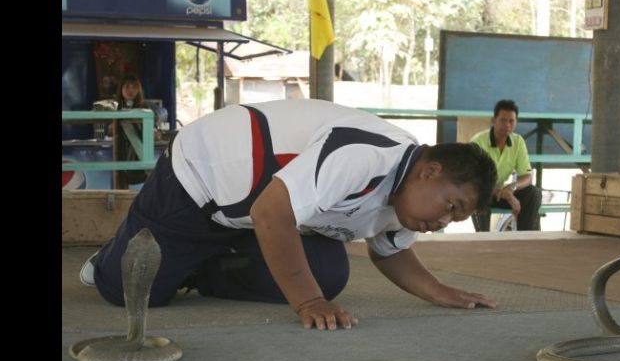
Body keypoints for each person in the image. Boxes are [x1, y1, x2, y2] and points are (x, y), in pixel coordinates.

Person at [79, 99, 499, 331]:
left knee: (329, 273)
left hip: (257, 218)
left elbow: (390, 252)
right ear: (430, 171)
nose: (443, 222)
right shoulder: (367, 154)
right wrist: (308, 301)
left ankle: (199, 269)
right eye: (450, 208)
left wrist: (438, 291)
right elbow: (272, 210)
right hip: (198, 183)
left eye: (453, 219)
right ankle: (107, 260)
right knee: (126, 290)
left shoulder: (406, 201)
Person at [468, 99, 542, 231]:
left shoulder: (518, 141)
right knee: (477, 195)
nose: (507, 124)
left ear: (516, 122)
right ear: (493, 120)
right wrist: (504, 194)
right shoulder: (478, 141)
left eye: (511, 121)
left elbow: (527, 176)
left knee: (533, 193)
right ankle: (482, 238)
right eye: (502, 120)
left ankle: (525, 238)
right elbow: (471, 181)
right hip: (482, 192)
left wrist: (512, 188)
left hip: (501, 193)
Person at [109, 74, 159, 187]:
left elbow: (154, 131)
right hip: (120, 153)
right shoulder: (114, 108)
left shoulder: (145, 108)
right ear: (121, 89)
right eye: (127, 87)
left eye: (134, 87)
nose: (131, 90)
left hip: (139, 154)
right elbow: (109, 131)